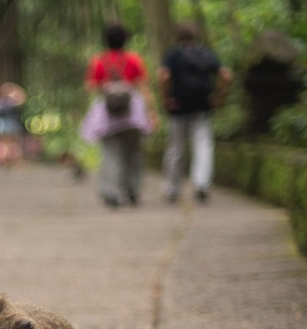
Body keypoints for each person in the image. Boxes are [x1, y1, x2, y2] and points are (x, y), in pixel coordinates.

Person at [84, 23, 157, 208]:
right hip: (133, 113)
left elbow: (91, 87)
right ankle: (132, 190)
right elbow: (144, 86)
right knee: (134, 152)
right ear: (126, 39)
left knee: (110, 152)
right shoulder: (134, 59)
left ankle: (111, 192)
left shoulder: (98, 60)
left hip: (108, 114)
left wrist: (109, 87)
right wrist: (151, 112)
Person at [158, 23, 233, 204]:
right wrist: (218, 97)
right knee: (203, 146)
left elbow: (164, 76)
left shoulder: (173, 55)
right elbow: (226, 76)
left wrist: (167, 98)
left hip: (178, 108)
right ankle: (201, 184)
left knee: (176, 149)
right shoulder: (206, 53)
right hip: (202, 107)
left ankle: (172, 188)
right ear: (195, 36)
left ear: (178, 37)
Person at [0, 82, 26, 167]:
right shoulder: (6, 102)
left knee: (4, 143)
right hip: (5, 125)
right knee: (7, 143)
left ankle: (3, 162)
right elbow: (21, 99)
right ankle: (2, 161)